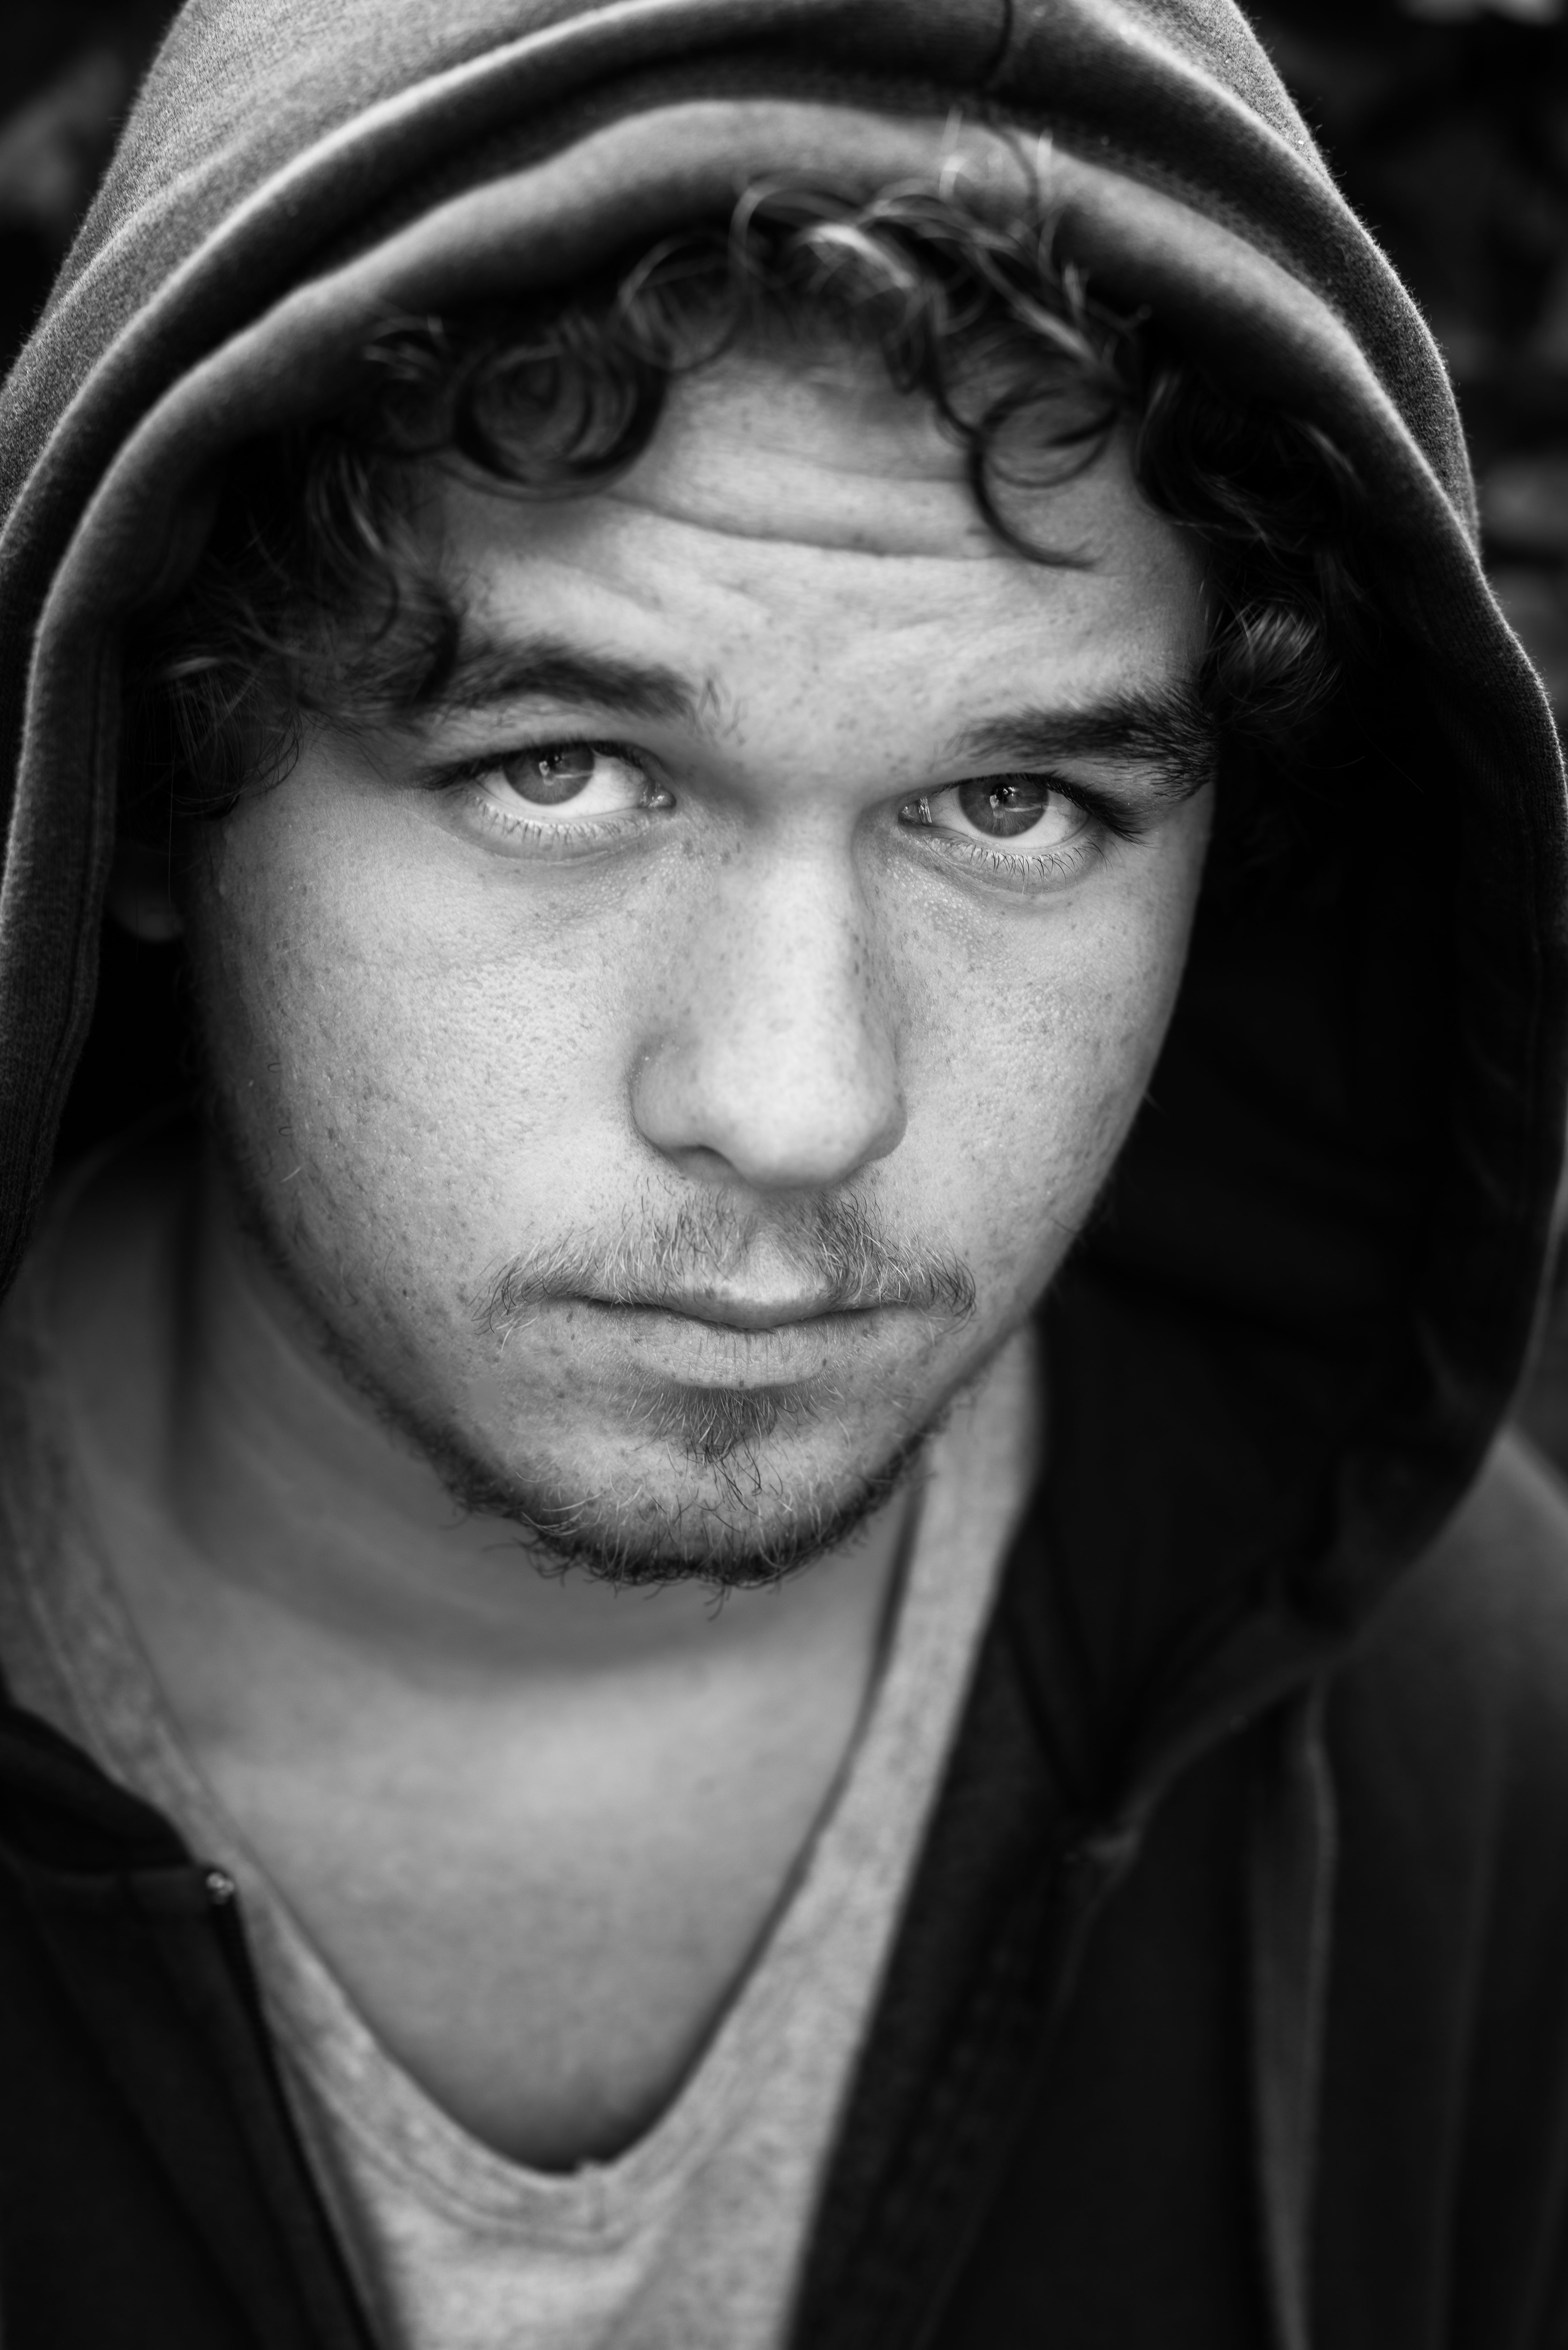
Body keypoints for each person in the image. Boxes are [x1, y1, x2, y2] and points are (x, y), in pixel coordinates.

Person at [1, 2, 1566, 2344]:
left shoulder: (1469, 1746)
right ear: (150, 779)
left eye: (1014, 807)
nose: (800, 1102)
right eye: (557, 771)